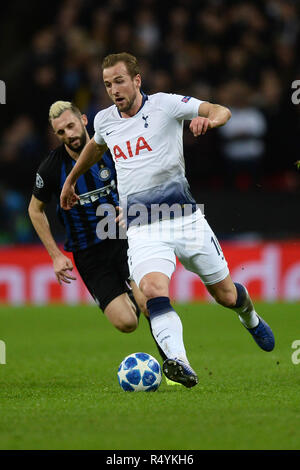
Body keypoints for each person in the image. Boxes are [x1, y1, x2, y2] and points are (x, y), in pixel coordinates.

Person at [60, 53, 275, 388]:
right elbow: (96, 148)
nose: (114, 89)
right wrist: (71, 179)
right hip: (142, 225)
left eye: (119, 81)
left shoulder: (166, 105)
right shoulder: (104, 120)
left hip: (185, 219)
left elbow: (221, 110)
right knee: (152, 289)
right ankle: (179, 362)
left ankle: (249, 316)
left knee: (226, 295)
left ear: (136, 80)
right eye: (107, 84)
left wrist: (210, 120)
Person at [28, 100, 150, 337]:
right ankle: (130, 296)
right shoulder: (51, 169)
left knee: (149, 303)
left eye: (71, 126)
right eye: (61, 132)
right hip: (89, 254)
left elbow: (142, 179)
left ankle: (173, 366)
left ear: (84, 120)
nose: (69, 134)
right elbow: (35, 209)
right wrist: (55, 255)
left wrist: (132, 208)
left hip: (124, 239)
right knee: (127, 323)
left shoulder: (112, 149)